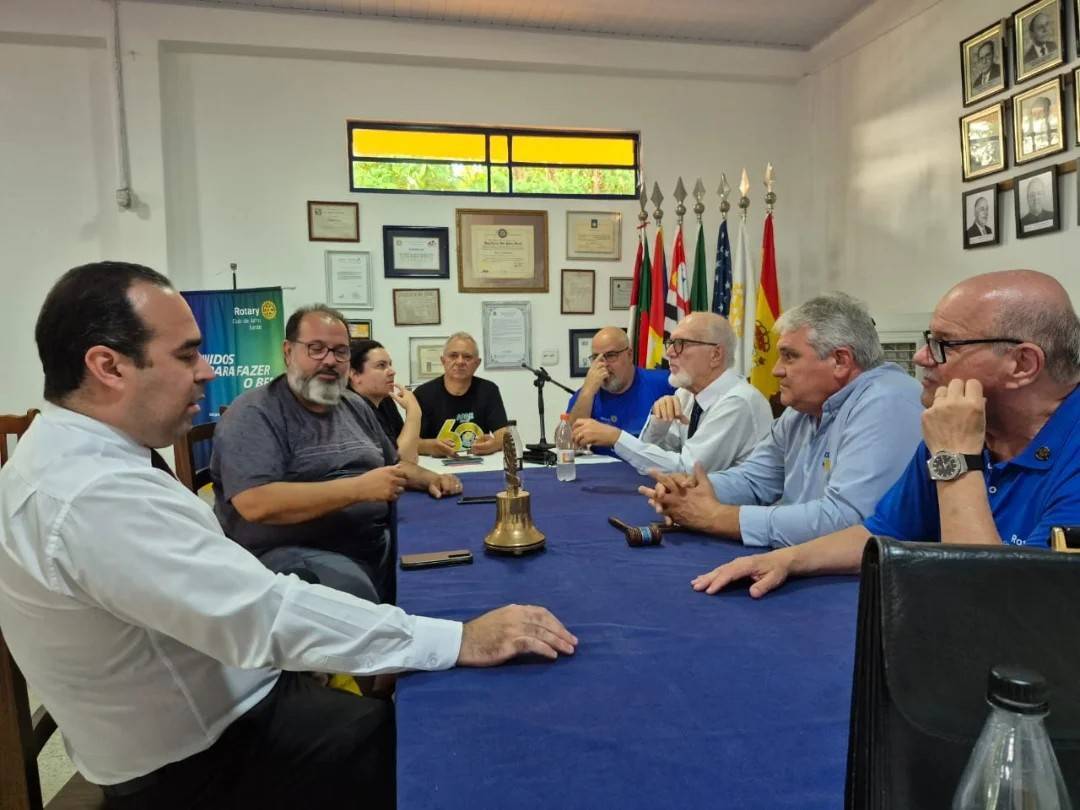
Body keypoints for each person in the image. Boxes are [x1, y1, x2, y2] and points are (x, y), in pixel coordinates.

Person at [0, 262, 577, 808]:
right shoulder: (92, 494)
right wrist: (457, 640)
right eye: (187, 354)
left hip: (229, 702)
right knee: (442, 742)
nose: (208, 370)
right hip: (204, 758)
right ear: (109, 366)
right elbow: (262, 614)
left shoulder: (83, 459)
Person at [690, 270, 1080, 599]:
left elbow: (992, 603)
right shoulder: (961, 425)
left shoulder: (955, 435)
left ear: (1022, 364)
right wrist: (786, 559)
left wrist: (956, 460)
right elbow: (886, 532)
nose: (921, 357)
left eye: (944, 345)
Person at [212, 305, 463, 605]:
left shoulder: (353, 406)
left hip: (369, 540)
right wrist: (358, 489)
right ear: (288, 351)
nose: (330, 360)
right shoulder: (254, 414)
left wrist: (431, 478)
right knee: (353, 595)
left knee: (449, 554)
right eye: (316, 349)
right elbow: (256, 504)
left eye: (341, 352)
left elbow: (393, 467)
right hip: (291, 554)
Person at [639, 293, 923, 548]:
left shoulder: (888, 402)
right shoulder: (803, 408)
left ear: (840, 361)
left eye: (789, 357)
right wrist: (693, 490)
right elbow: (754, 480)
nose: (776, 371)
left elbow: (848, 521)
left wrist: (718, 518)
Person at [571, 313, 771, 474]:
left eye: (681, 344)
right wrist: (658, 421)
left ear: (715, 355)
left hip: (734, 516)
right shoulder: (687, 393)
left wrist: (615, 437)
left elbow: (687, 471)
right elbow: (650, 462)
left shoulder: (737, 402)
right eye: (671, 344)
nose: (669, 353)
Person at [566, 326, 673, 456]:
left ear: (629, 355)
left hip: (651, 470)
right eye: (596, 358)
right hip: (605, 471)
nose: (603, 364)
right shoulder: (587, 394)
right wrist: (587, 391)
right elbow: (568, 445)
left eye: (610, 355)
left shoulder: (664, 383)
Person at [414, 332, 508, 457]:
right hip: (435, 467)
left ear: (477, 363)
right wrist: (431, 446)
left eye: (467, 357)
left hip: (480, 464)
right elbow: (410, 443)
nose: (460, 361)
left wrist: (494, 444)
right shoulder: (422, 394)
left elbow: (503, 434)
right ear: (443, 361)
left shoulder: (489, 390)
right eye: (453, 356)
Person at [348, 338, 420, 463]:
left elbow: (409, 452)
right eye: (381, 366)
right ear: (355, 375)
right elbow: (401, 464)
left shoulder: (385, 401)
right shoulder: (350, 410)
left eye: (390, 364)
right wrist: (414, 412)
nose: (392, 371)